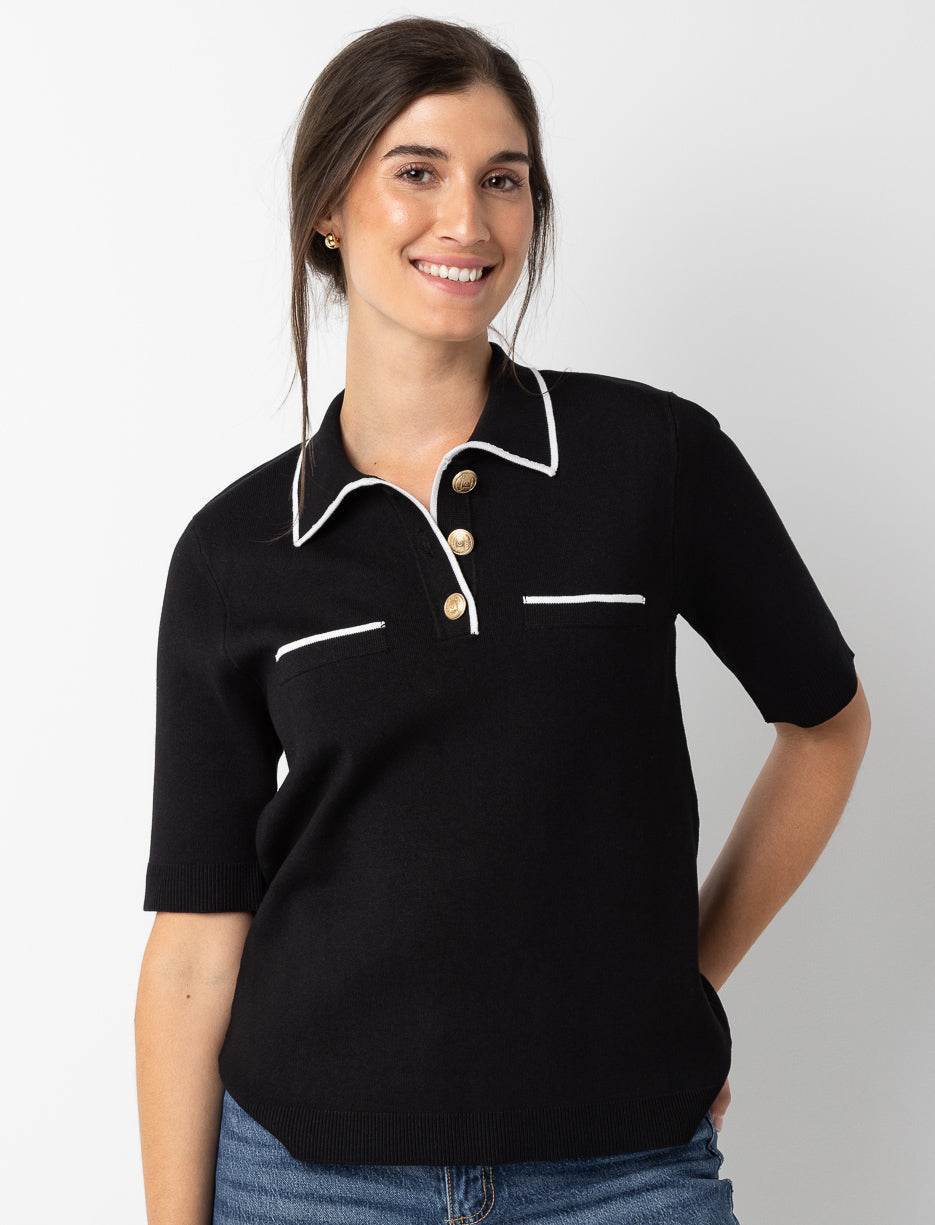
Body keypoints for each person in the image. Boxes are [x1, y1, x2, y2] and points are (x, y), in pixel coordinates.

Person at [134, 16, 871, 1225]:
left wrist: (680, 978)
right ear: (328, 210)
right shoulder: (236, 551)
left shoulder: (653, 457)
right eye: (416, 171)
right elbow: (193, 947)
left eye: (503, 180)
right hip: (308, 1180)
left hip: (623, 1173)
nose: (466, 221)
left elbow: (825, 724)